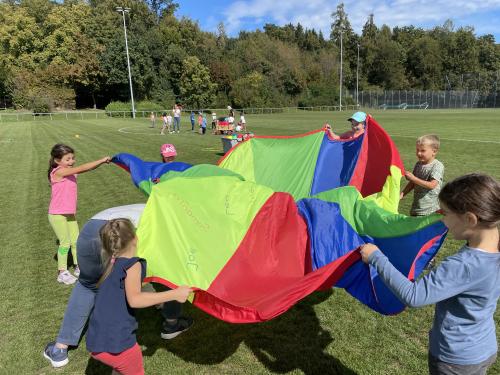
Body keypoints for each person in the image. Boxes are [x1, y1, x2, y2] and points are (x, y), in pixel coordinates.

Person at [360, 173, 500, 375]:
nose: (441, 217)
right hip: (483, 348)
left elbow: (414, 296)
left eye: (446, 213)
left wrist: (376, 257)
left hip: (455, 360)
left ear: (470, 219)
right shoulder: (492, 250)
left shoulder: (464, 266)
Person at [43, 206, 194, 368]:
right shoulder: (171, 225)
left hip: (90, 231)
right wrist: (173, 295)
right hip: (110, 233)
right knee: (169, 271)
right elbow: (139, 294)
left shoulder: (154, 207)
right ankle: (172, 323)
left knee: (88, 286)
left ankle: (60, 348)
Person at [85, 218, 192, 374]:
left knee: (121, 370)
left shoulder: (111, 263)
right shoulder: (133, 265)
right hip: (119, 343)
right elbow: (135, 299)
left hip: (96, 340)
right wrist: (175, 293)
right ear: (135, 238)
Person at [48, 144, 110, 285]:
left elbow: (83, 169)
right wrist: (100, 160)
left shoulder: (70, 171)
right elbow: (83, 168)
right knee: (65, 243)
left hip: (69, 213)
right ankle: (62, 272)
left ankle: (78, 267)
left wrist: (100, 163)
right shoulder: (58, 172)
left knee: (76, 241)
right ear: (57, 161)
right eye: (67, 159)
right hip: (57, 214)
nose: (71, 162)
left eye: (73, 158)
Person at [401, 135, 444, 216]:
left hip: (431, 210)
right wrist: (402, 194)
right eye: (417, 150)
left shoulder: (437, 166)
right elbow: (413, 183)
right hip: (417, 208)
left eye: (423, 150)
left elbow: (432, 185)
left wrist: (413, 178)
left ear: (434, 152)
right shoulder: (418, 164)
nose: (419, 153)